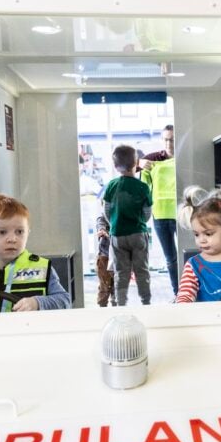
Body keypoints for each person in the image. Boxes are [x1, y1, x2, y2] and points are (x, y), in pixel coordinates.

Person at [104, 145, 153, 306]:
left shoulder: (111, 185)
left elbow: (107, 210)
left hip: (117, 234)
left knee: (121, 272)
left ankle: (121, 303)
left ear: (115, 166)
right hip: (138, 233)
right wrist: (138, 222)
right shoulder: (142, 187)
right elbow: (147, 213)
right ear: (136, 163)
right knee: (142, 270)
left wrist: (115, 223)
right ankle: (145, 302)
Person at [139, 124, 178, 294]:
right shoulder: (153, 159)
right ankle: (178, 292)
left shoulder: (185, 157)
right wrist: (139, 163)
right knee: (170, 258)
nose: (169, 143)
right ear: (162, 140)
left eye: (172, 139)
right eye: (166, 139)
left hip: (181, 214)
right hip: (160, 215)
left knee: (188, 255)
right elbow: (128, 167)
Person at [95, 213, 116, 307]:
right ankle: (102, 306)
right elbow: (100, 223)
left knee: (118, 286)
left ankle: (116, 305)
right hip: (105, 257)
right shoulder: (103, 217)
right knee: (104, 286)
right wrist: (102, 230)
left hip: (119, 256)